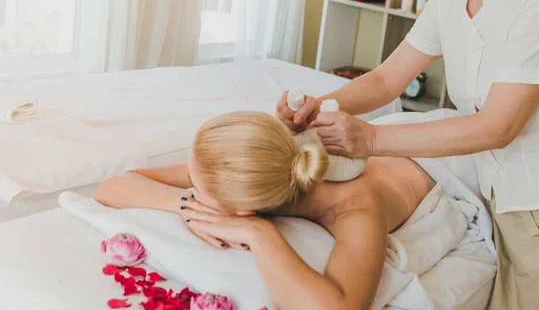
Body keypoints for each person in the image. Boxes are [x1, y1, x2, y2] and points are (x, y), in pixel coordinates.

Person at [276, 0, 539, 308]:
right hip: (503, 198)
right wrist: (318, 104)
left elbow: (497, 127)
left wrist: (373, 138)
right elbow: (386, 80)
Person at [95, 111, 436, 310]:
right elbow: (112, 186)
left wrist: (260, 234)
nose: (189, 186)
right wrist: (184, 205)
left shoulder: (358, 208)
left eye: (196, 189)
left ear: (243, 210)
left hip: (439, 159)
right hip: (398, 127)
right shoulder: (251, 161)